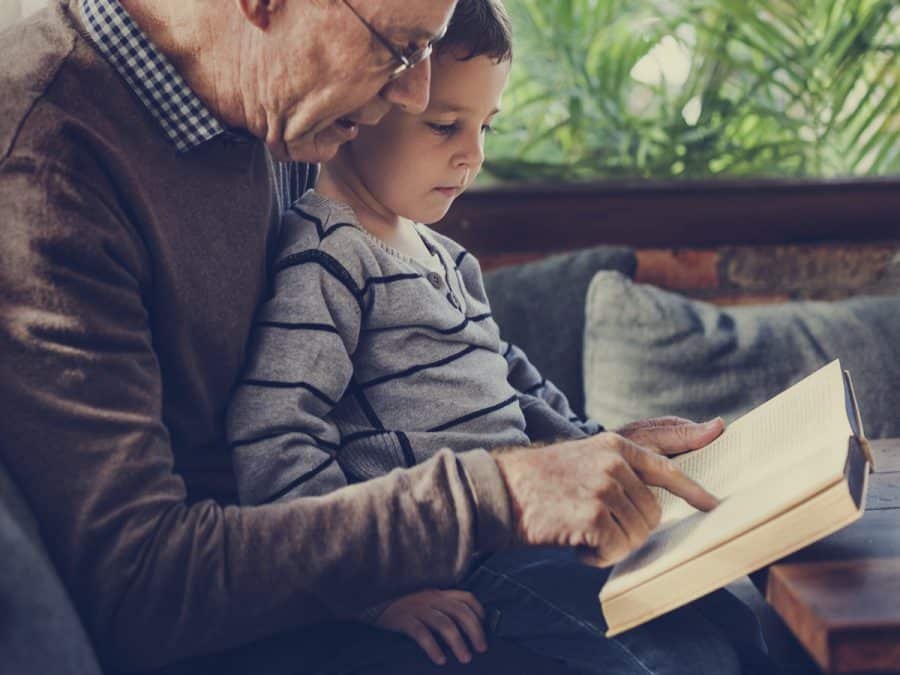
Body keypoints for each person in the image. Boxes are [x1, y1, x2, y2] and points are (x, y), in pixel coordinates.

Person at [0, 0, 759, 673]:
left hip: (381, 558)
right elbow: (141, 587)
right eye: (398, 49)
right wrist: (496, 491)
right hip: (262, 618)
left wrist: (599, 449)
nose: (413, 93)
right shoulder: (47, 161)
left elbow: (455, 344)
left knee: (719, 615)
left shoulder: (277, 107)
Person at [226, 2, 772, 674]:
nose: (473, 154)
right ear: (368, 104)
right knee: (671, 657)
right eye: (446, 125)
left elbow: (516, 381)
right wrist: (374, 596)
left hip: (534, 527)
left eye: (486, 126)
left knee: (730, 612)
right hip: (465, 556)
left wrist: (606, 444)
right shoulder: (328, 257)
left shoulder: (448, 259)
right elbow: (274, 438)